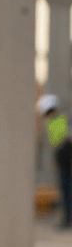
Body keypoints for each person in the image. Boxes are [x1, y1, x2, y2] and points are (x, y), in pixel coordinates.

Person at [38, 94, 72, 228]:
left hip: (65, 155)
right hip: (63, 156)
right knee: (66, 189)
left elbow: (59, 142)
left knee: (67, 189)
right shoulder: (60, 121)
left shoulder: (59, 121)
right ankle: (67, 218)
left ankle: (68, 219)